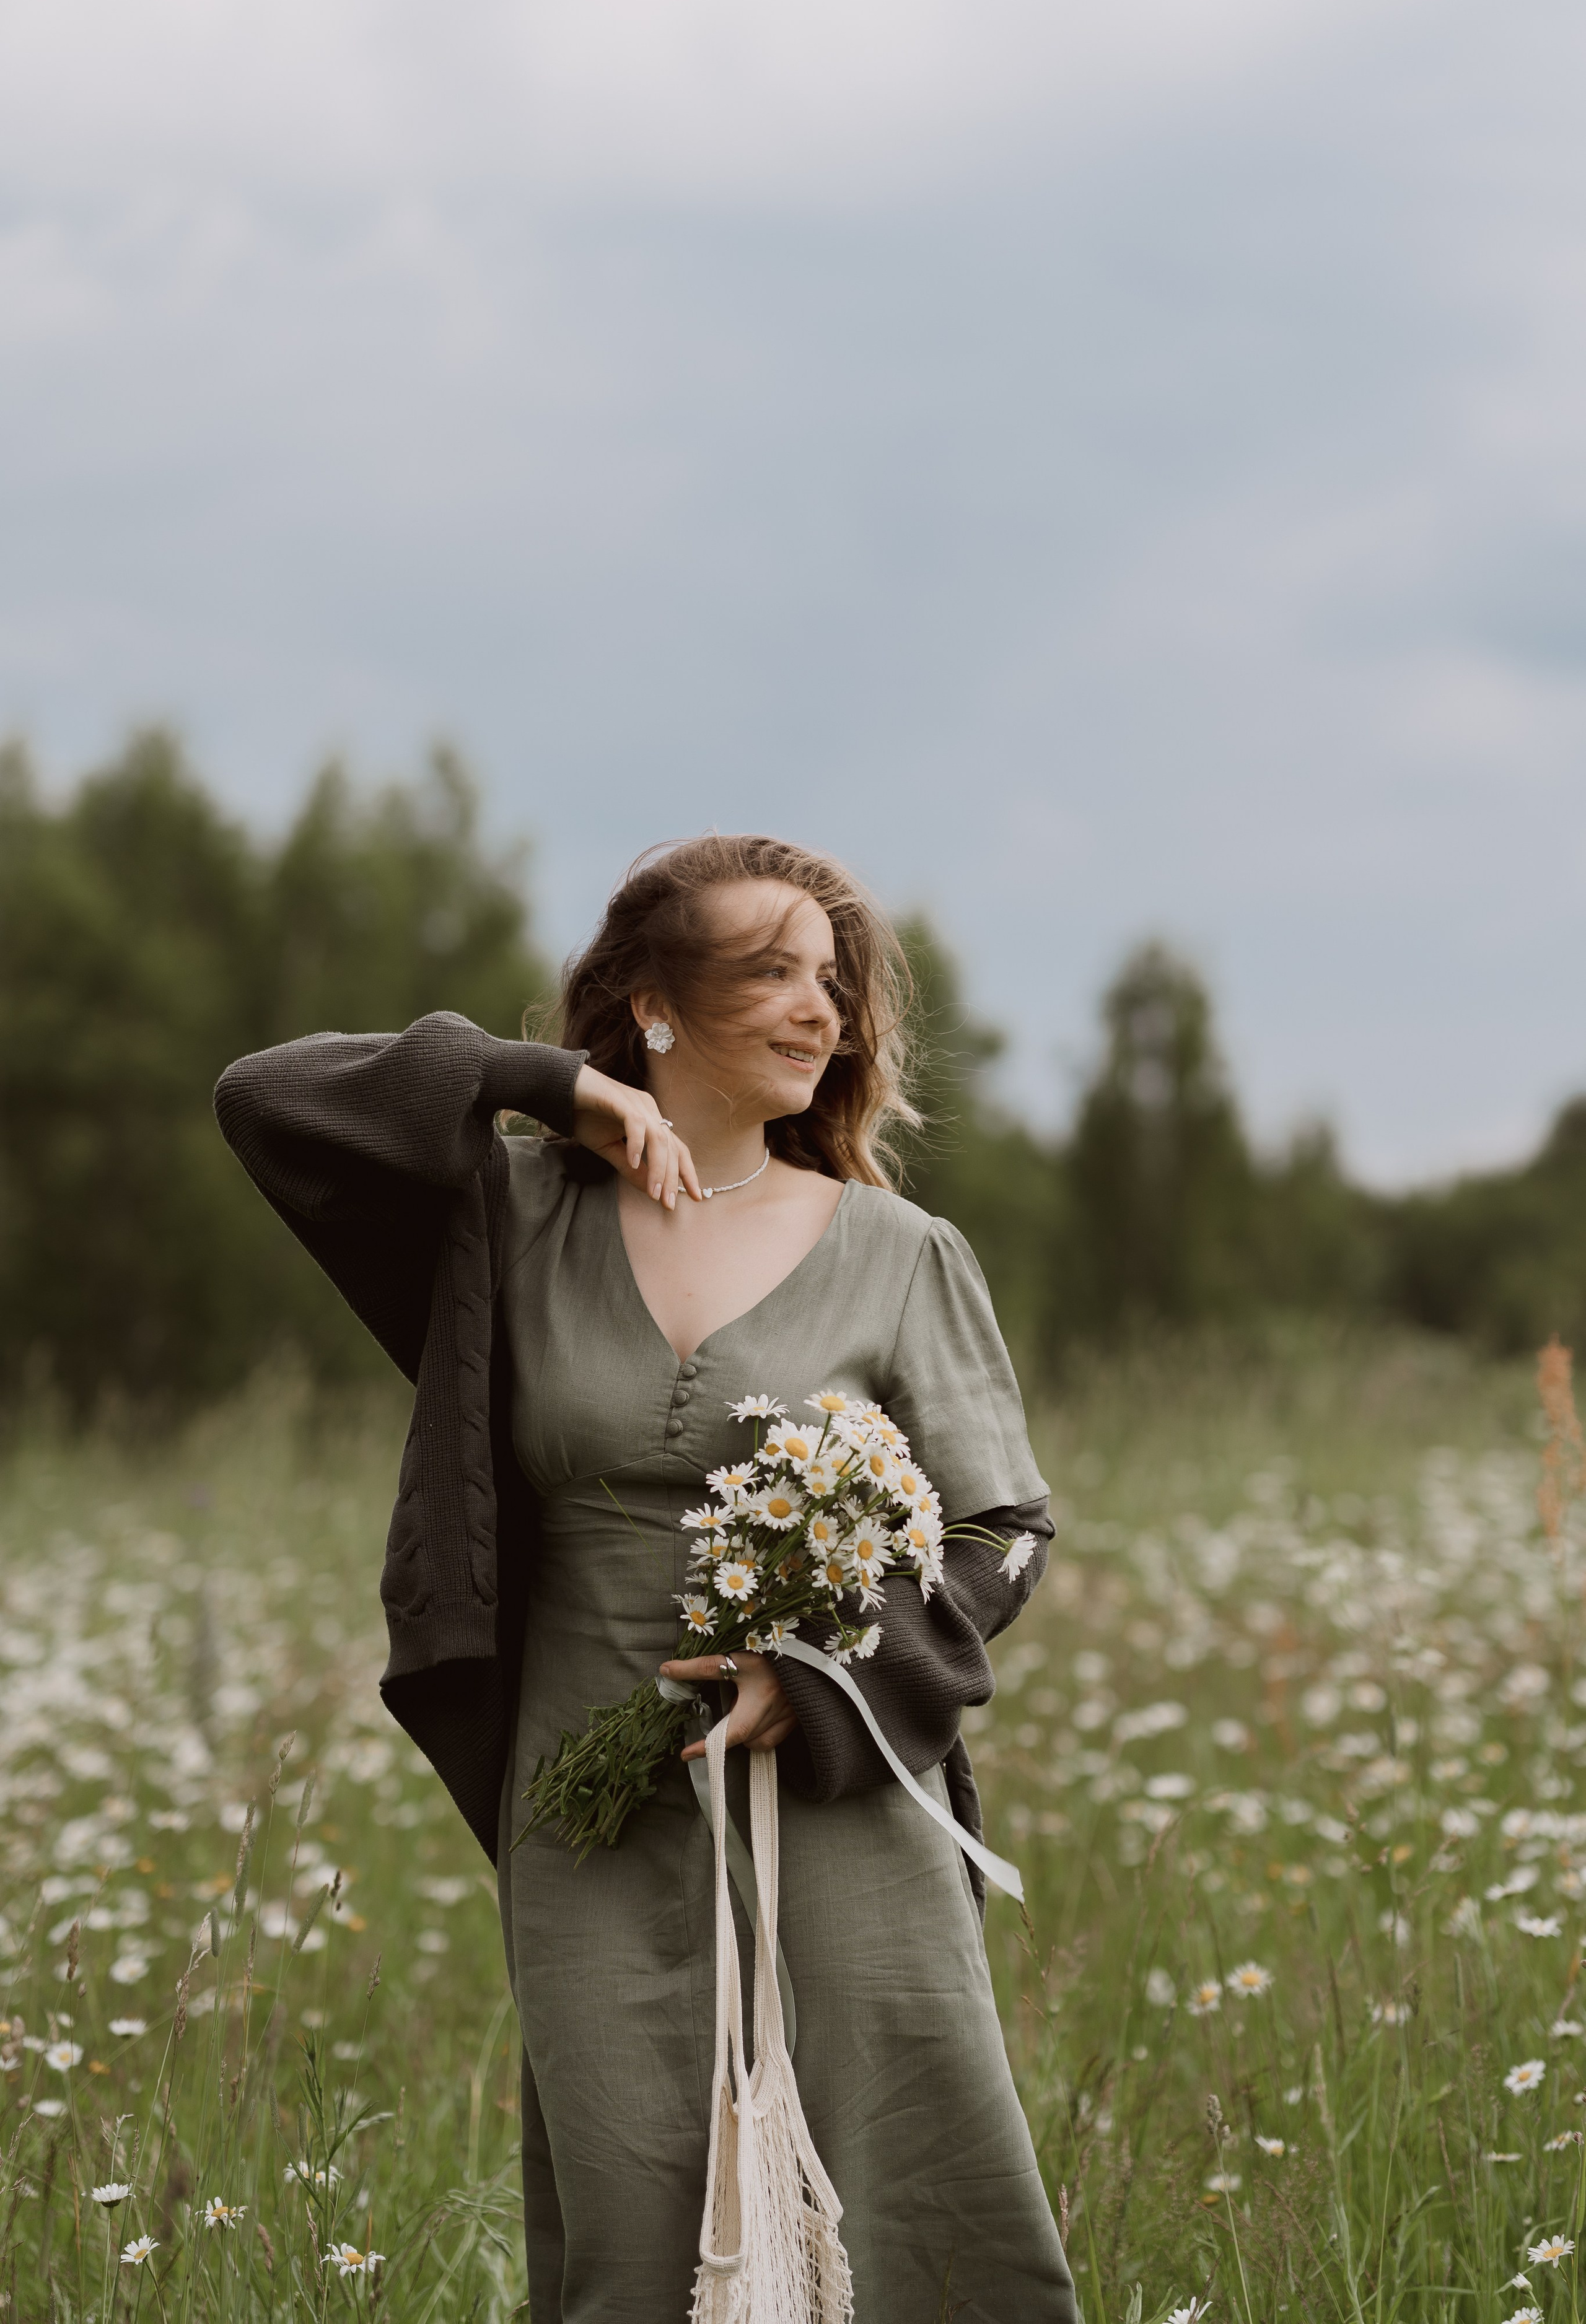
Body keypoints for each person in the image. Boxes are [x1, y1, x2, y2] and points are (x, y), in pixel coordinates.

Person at [215, 832, 1076, 2324]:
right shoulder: (513, 1220)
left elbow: (998, 1529)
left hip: (844, 1785)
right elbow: (268, 1096)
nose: (825, 1012)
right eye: (774, 973)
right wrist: (546, 1088)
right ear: (651, 1003)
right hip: (585, 1791)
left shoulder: (900, 1250)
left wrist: (810, 1680)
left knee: (913, 2172)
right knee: (633, 2197)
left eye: (835, 981)